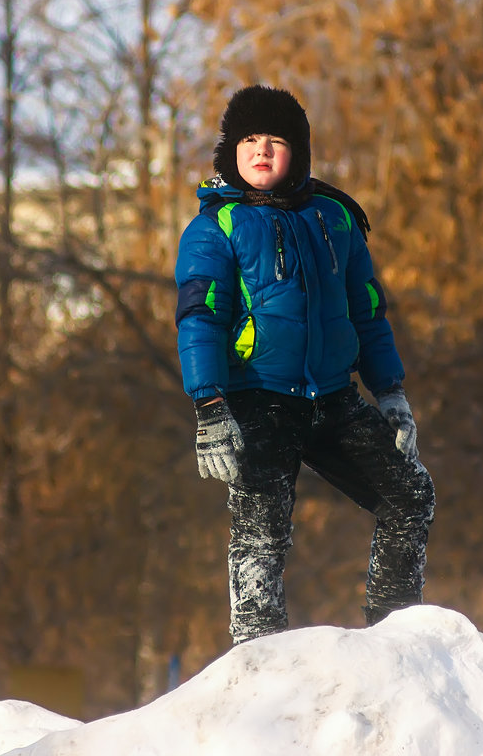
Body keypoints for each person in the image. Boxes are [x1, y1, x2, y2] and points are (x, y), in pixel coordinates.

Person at [174, 84, 435, 644]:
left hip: (334, 398)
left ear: (299, 153)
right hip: (257, 398)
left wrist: (390, 391)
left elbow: (367, 308)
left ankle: (397, 641)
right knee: (260, 533)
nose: (262, 150)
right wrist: (211, 408)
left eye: (276, 140)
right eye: (249, 139)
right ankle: (260, 662)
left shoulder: (333, 218)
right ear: (231, 151)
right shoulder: (215, 227)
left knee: (410, 494)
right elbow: (200, 319)